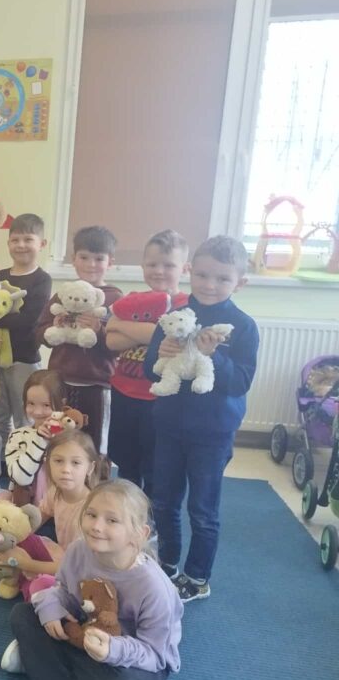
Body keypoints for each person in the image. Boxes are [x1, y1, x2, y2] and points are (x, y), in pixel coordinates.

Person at [2, 480, 182, 680]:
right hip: (84, 634)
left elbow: (155, 655)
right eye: (91, 514)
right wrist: (51, 607)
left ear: (139, 534)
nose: (97, 526)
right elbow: (64, 592)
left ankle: (37, 662)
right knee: (22, 614)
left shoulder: (154, 587)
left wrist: (113, 650)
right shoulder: (78, 550)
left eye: (112, 520)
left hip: (131, 658)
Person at [144, 235, 258, 603]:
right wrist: (160, 354)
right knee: (164, 501)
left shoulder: (243, 326)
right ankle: (167, 565)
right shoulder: (173, 318)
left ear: (240, 282)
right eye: (203, 275)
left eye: (223, 278)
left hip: (212, 433)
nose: (210, 285)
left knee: (203, 510)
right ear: (190, 271)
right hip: (169, 427)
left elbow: (240, 382)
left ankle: (197, 578)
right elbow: (149, 370)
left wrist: (215, 357)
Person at [105, 230, 189, 497]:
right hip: (124, 393)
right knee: (126, 461)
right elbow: (111, 341)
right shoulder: (133, 299)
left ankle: (152, 515)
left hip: (159, 401)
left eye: (168, 265)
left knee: (156, 466)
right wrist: (140, 331)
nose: (159, 271)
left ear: (184, 269)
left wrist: (121, 325)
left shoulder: (186, 306)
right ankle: (128, 510)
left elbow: (159, 335)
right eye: (152, 264)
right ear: (142, 266)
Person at [36, 226, 122, 452]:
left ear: (110, 262)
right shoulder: (63, 295)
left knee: (94, 443)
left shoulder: (115, 298)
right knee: (58, 438)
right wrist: (53, 328)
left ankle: (96, 475)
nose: (91, 264)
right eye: (84, 257)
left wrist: (98, 331)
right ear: (73, 259)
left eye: (99, 258)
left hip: (97, 384)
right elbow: (41, 331)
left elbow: (119, 345)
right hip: (61, 381)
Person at [0, 429, 103, 601]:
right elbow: (36, 519)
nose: (66, 469)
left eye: (75, 463)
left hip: (82, 573)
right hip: (63, 556)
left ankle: (36, 587)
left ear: (90, 468)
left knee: (39, 586)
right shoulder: (56, 492)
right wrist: (8, 537)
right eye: (58, 461)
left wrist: (26, 563)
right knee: (21, 541)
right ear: (48, 463)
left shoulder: (90, 511)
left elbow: (74, 567)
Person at [0, 212, 52, 437]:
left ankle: (26, 457)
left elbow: (29, 320)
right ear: (8, 243)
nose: (21, 245)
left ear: (42, 244)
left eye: (28, 239)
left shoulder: (42, 279)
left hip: (24, 358)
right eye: (15, 240)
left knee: (27, 416)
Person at [1, 369, 66, 507]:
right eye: (31, 403)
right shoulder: (17, 436)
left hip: (61, 509)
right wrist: (40, 440)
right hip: (25, 511)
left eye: (46, 405)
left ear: (62, 403)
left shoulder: (69, 440)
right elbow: (20, 479)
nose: (37, 411)